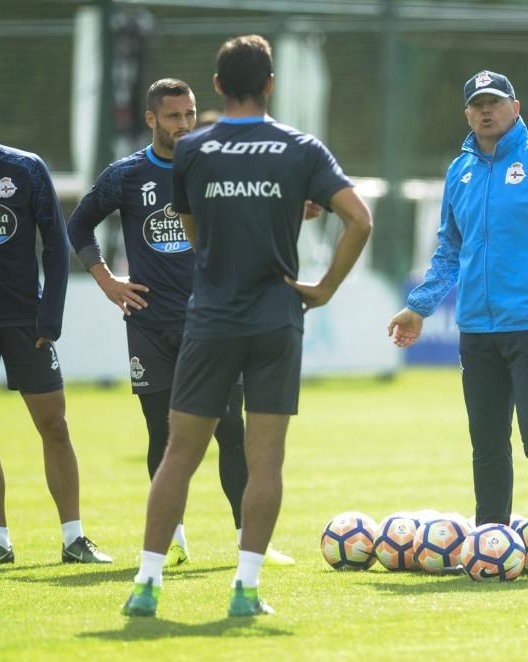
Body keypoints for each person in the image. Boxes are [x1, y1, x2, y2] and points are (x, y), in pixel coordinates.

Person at [122, 34, 371, 617]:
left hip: (209, 318)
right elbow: (358, 218)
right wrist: (325, 287)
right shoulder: (301, 148)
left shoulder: (191, 151)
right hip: (275, 317)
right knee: (266, 460)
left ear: (215, 86)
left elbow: (192, 230)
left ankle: (147, 584)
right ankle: (246, 589)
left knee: (179, 453)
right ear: (270, 83)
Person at [67, 78, 293, 568]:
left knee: (231, 432)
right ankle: (172, 540)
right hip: (149, 324)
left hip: (213, 324)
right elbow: (79, 223)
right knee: (161, 433)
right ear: (151, 119)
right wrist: (107, 281)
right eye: (174, 116)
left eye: (190, 114)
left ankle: (247, 540)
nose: (185, 124)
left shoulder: (214, 168)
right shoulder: (126, 175)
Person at [388, 70, 528, 579]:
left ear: (515, 107)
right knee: (486, 440)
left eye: (495, 102)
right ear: (467, 114)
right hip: (477, 328)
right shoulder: (459, 171)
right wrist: (419, 305)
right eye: (478, 104)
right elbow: (449, 251)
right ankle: (491, 540)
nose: (487, 111)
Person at [0, 117, 112, 566]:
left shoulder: (25, 168)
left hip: (25, 320)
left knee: (54, 426)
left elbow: (56, 243)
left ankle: (74, 538)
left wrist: (50, 316)